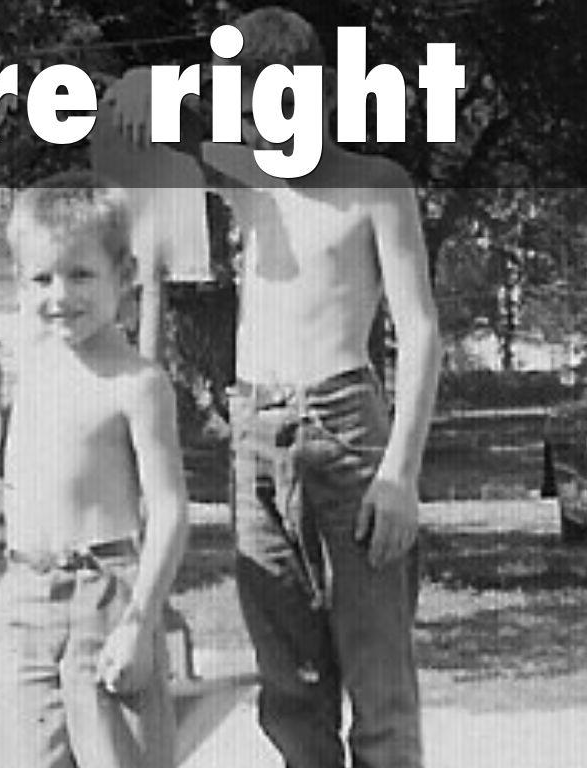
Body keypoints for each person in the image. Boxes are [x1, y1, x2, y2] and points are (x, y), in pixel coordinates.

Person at [104, 7, 443, 768]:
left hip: (348, 431)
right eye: (248, 118)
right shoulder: (242, 176)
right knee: (291, 685)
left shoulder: (376, 185)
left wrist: (399, 474)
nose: (264, 134)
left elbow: (421, 332)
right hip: (255, 436)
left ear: (322, 96)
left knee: (379, 680)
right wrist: (151, 85)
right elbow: (134, 105)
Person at [0, 171, 189, 768]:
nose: (60, 295)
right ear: (20, 280)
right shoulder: (29, 345)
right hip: (26, 596)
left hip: (106, 597)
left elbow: (169, 511)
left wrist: (140, 622)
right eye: (41, 278)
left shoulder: (137, 384)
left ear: (125, 275)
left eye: (81, 275)